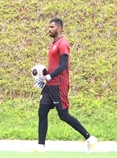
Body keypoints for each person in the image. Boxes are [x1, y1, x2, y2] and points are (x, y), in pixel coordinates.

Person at [34, 18, 97, 153]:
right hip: (50, 84)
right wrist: (44, 76)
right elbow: (54, 65)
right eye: (49, 27)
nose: (49, 29)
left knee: (63, 115)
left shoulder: (63, 43)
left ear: (59, 29)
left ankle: (90, 138)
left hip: (59, 85)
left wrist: (49, 76)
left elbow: (63, 65)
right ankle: (41, 146)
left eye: (52, 27)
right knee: (42, 111)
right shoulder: (53, 44)